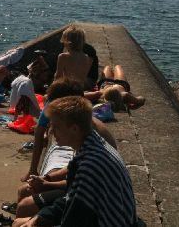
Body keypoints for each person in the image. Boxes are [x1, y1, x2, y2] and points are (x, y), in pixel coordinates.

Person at [13, 96, 137, 227]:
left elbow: (74, 219)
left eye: (56, 127)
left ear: (74, 129)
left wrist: (36, 221)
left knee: (19, 224)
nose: (51, 132)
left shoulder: (90, 166)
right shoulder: (92, 143)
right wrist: (39, 218)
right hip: (110, 217)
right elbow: (72, 197)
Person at [15, 80, 117, 218]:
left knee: (25, 206)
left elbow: (78, 185)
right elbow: (74, 169)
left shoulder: (93, 152)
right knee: (24, 191)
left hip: (97, 206)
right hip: (90, 195)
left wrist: (46, 184)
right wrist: (46, 177)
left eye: (55, 126)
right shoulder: (86, 135)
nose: (51, 131)